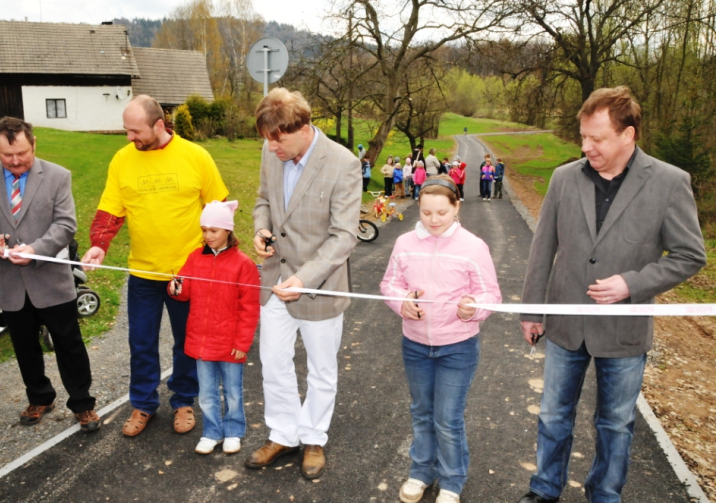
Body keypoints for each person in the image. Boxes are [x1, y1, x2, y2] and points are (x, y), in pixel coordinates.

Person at [517, 86, 707, 503]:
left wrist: (632, 284)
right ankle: (544, 489)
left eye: (597, 138)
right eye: (583, 136)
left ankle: (604, 494)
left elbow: (690, 255)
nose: (587, 147)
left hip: (624, 329)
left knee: (616, 424)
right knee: (552, 416)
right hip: (565, 325)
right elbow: (542, 247)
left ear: (628, 135)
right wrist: (532, 311)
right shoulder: (564, 178)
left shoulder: (669, 182)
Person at [81, 95, 229, 438]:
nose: (129, 138)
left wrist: (218, 258)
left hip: (188, 273)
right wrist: (98, 246)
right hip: (143, 274)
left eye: (135, 131)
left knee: (186, 342)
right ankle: (143, 403)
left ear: (159, 125)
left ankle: (183, 401)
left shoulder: (196, 156)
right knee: (141, 342)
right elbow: (110, 210)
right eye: (126, 131)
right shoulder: (122, 160)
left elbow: (219, 210)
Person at [247, 87, 361, 480]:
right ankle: (283, 434)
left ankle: (313, 437)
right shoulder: (270, 150)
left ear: (304, 126)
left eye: (279, 140)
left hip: (319, 284)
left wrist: (305, 278)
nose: (272, 148)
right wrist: (260, 229)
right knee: (273, 362)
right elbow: (263, 199)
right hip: (275, 280)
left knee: (321, 369)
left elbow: (344, 236)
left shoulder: (343, 163)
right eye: (268, 140)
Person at [0, 117, 101, 432]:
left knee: (69, 345)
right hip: (10, 284)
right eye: (6, 155)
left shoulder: (57, 177)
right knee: (24, 345)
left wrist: (36, 250)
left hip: (52, 281)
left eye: (22, 154)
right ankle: (40, 396)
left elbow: (65, 225)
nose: (14, 161)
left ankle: (82, 404)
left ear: (34, 144)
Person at [380, 175, 501, 503]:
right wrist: (402, 301)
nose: (433, 220)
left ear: (456, 207)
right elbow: (389, 284)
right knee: (421, 411)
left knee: (447, 417)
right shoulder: (405, 243)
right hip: (415, 345)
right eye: (427, 212)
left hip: (457, 347)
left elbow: (490, 294)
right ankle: (421, 471)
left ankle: (452, 480)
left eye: (442, 213)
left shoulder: (473, 246)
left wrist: (472, 309)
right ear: (419, 206)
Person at [167, 200, 260, 456]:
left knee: (232, 392)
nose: (208, 235)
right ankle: (211, 432)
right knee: (206, 393)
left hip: (230, 343)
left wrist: (242, 343)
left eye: (214, 230)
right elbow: (183, 292)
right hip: (200, 341)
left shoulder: (244, 264)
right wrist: (175, 288)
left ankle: (233, 431)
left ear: (228, 231)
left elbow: (250, 308)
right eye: (204, 229)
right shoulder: (195, 258)